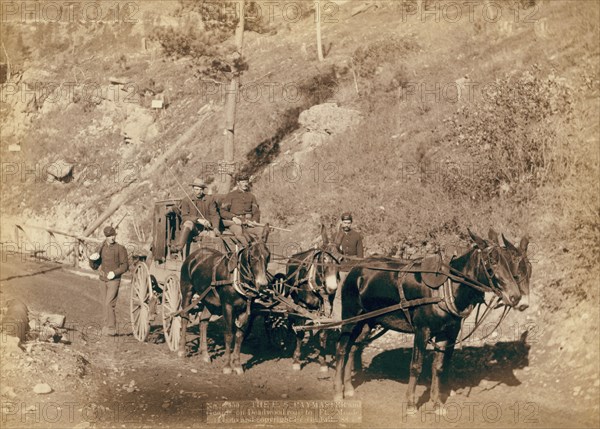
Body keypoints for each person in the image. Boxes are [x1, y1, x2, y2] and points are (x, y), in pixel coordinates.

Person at [88, 226, 129, 337]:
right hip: (102, 279)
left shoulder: (120, 248)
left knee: (109, 303)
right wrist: (92, 259)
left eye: (113, 235)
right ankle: (105, 327)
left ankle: (112, 328)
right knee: (104, 303)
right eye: (109, 236)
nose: (112, 238)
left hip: (114, 280)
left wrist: (115, 273)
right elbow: (95, 266)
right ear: (106, 237)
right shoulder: (101, 248)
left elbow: (125, 266)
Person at [173, 178, 221, 252]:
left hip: (206, 229)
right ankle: (179, 247)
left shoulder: (209, 199)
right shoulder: (186, 200)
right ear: (192, 189)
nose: (198, 192)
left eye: (200, 190)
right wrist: (198, 220)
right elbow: (185, 216)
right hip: (193, 230)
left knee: (213, 239)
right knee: (188, 223)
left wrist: (215, 228)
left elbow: (214, 215)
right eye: (196, 189)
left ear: (203, 190)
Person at [331, 212, 364, 320]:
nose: (346, 225)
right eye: (345, 222)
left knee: (357, 293)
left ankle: (357, 316)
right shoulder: (336, 236)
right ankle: (337, 318)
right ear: (341, 222)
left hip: (354, 269)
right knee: (340, 293)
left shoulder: (357, 236)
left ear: (351, 223)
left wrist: (359, 268)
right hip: (342, 268)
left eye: (349, 223)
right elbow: (332, 253)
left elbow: (360, 256)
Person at [220, 174, 263, 242]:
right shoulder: (231, 195)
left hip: (248, 224)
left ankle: (260, 251)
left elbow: (256, 212)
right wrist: (233, 217)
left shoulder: (251, 196)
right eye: (243, 182)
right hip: (235, 224)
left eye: (246, 182)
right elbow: (222, 211)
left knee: (261, 231)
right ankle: (242, 251)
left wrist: (254, 221)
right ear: (238, 183)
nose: (245, 184)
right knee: (239, 233)